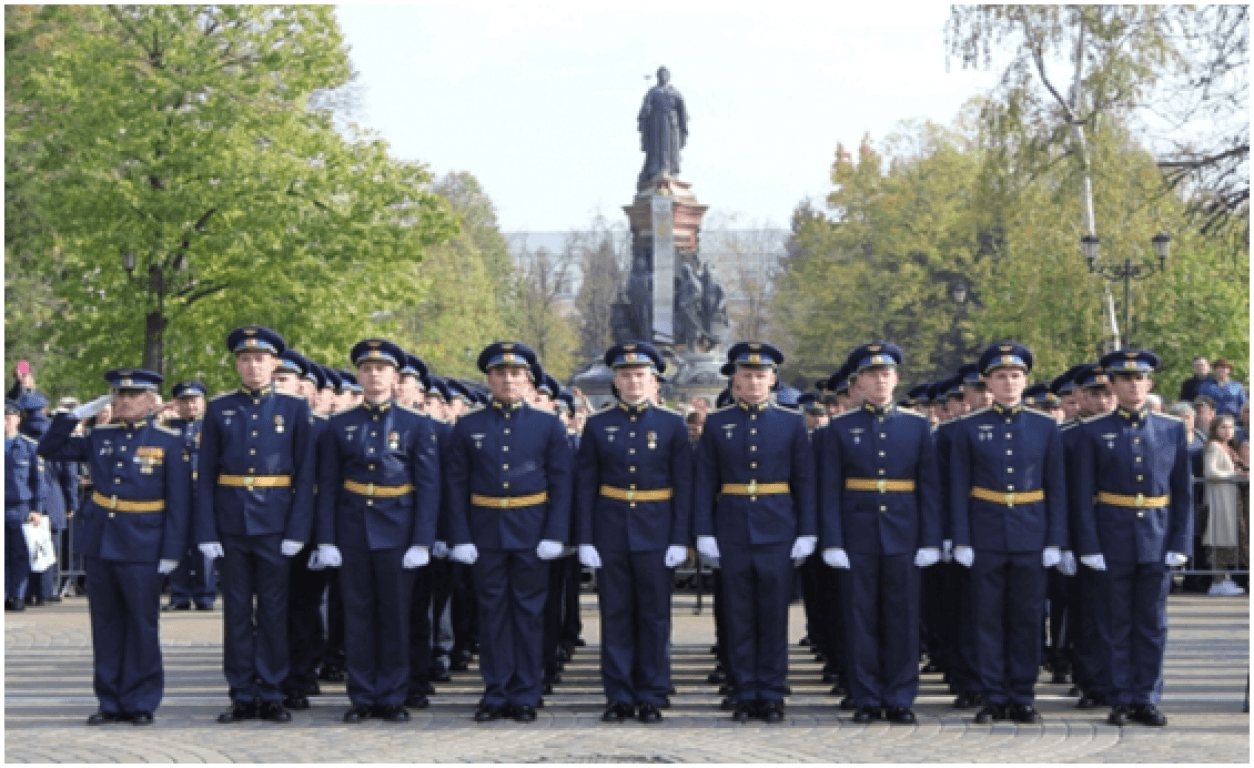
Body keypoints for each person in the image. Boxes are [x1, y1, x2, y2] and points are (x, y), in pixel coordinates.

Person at [37, 368, 191, 725]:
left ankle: (140, 700)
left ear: (152, 401)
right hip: (102, 540)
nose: (122, 401)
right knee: (105, 624)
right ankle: (109, 700)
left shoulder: (169, 441)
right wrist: (74, 415)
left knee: (141, 624)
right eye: (117, 395)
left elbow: (180, 502)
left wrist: (172, 550)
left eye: (131, 395)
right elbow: (50, 448)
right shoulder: (99, 435)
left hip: (144, 541)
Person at [445, 342, 573, 723]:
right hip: (485, 533)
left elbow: (561, 484)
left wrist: (556, 533)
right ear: (489, 380)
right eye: (500, 374)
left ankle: (526, 692)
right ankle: (496, 690)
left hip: (532, 532)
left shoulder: (548, 424)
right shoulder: (468, 425)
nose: (507, 380)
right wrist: (461, 537)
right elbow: (456, 486)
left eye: (515, 374)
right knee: (492, 614)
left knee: (530, 614)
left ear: (528, 380)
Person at [195, 326, 316, 724]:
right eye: (245, 359)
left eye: (260, 359)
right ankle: (242, 692)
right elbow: (207, 474)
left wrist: (298, 530)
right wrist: (208, 532)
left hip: (276, 524)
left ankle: (272, 689)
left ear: (274, 363)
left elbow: (305, 474)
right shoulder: (220, 408)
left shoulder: (295, 409)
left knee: (274, 611)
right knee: (234, 612)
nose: (253, 366)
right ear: (236, 364)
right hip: (231, 524)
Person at [316, 339, 440, 723]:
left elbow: (428, 486)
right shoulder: (339, 425)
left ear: (395, 377)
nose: (374, 375)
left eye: (381, 369)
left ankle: (391, 695)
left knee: (396, 616)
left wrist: (422, 540)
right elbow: (328, 486)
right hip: (353, 530)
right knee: (357, 616)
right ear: (359, 375)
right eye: (367, 369)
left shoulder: (416, 424)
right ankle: (362, 695)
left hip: (399, 532)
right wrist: (326, 538)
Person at [817, 342, 940, 725]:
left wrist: (931, 539)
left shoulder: (918, 426)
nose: (880, 381)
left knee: (902, 620)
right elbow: (829, 490)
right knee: (860, 619)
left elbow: (930, 489)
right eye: (872, 375)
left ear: (897, 379)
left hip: (904, 534)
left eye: (886, 374)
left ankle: (900, 697)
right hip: (858, 536)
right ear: (859, 383)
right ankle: (866, 697)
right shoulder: (839, 428)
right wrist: (833, 540)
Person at [694, 342, 816, 723]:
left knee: (773, 616)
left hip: (778, 529)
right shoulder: (717, 422)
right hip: (731, 529)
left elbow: (805, 481)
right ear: (735, 381)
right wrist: (704, 532)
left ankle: (772, 691)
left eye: (760, 375)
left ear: (773, 380)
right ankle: (744, 691)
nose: (753, 382)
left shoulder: (791, 421)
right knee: (738, 615)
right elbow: (703, 482)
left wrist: (807, 530)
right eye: (746, 376)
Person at [1072, 348, 1192, 728]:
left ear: (1150, 383)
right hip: (1113, 537)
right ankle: (1120, 697)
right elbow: (1082, 497)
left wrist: (1180, 543)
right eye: (1125, 379)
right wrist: (1088, 545)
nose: (1133, 385)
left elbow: (1183, 494)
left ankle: (1147, 697)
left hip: (1156, 537)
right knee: (1115, 622)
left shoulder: (1171, 429)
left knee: (1152, 624)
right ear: (1113, 385)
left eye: (1140, 379)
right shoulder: (1093, 431)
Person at [950, 342, 1067, 725]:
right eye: (1001, 377)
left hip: (1031, 535)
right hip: (985, 533)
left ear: (1025, 380)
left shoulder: (1046, 426)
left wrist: (1055, 540)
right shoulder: (969, 427)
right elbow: (959, 487)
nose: (1009, 383)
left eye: (1016, 376)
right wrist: (961, 538)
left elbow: (1057, 487)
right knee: (986, 619)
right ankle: (993, 695)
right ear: (987, 382)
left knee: (1028, 620)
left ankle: (1022, 694)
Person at [576, 342, 692, 724]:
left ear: (653, 380)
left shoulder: (672, 424)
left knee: (655, 617)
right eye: (625, 375)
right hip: (611, 531)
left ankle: (653, 693)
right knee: (616, 616)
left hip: (657, 531)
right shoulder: (597, 425)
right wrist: (587, 539)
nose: (633, 382)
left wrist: (680, 539)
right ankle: (619, 695)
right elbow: (586, 486)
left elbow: (683, 486)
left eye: (640, 375)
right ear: (615, 381)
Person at [163, 380, 214, 612]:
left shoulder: (212, 426)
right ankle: (179, 594)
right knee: (177, 543)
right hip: (175, 493)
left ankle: (205, 595)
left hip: (204, 492)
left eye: (194, 400)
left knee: (204, 545)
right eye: (184, 401)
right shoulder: (168, 427)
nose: (190, 405)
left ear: (203, 402)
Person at [6, 398, 46, 611]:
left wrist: (37, 510)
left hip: (20, 507)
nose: (4, 422)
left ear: (17, 420)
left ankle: (18, 596)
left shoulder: (29, 446)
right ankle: (4, 595)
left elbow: (38, 481)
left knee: (20, 554)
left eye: (8, 417)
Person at [1202, 415, 1247, 595]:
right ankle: (1218, 581)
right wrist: (1233, 476)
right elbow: (1209, 471)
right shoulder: (1213, 446)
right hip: (1218, 498)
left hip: (1229, 498)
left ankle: (1224, 579)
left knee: (1227, 538)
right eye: (1223, 427)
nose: (1227, 430)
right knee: (1218, 538)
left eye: (1230, 427)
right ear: (1215, 429)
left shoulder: (1228, 448)